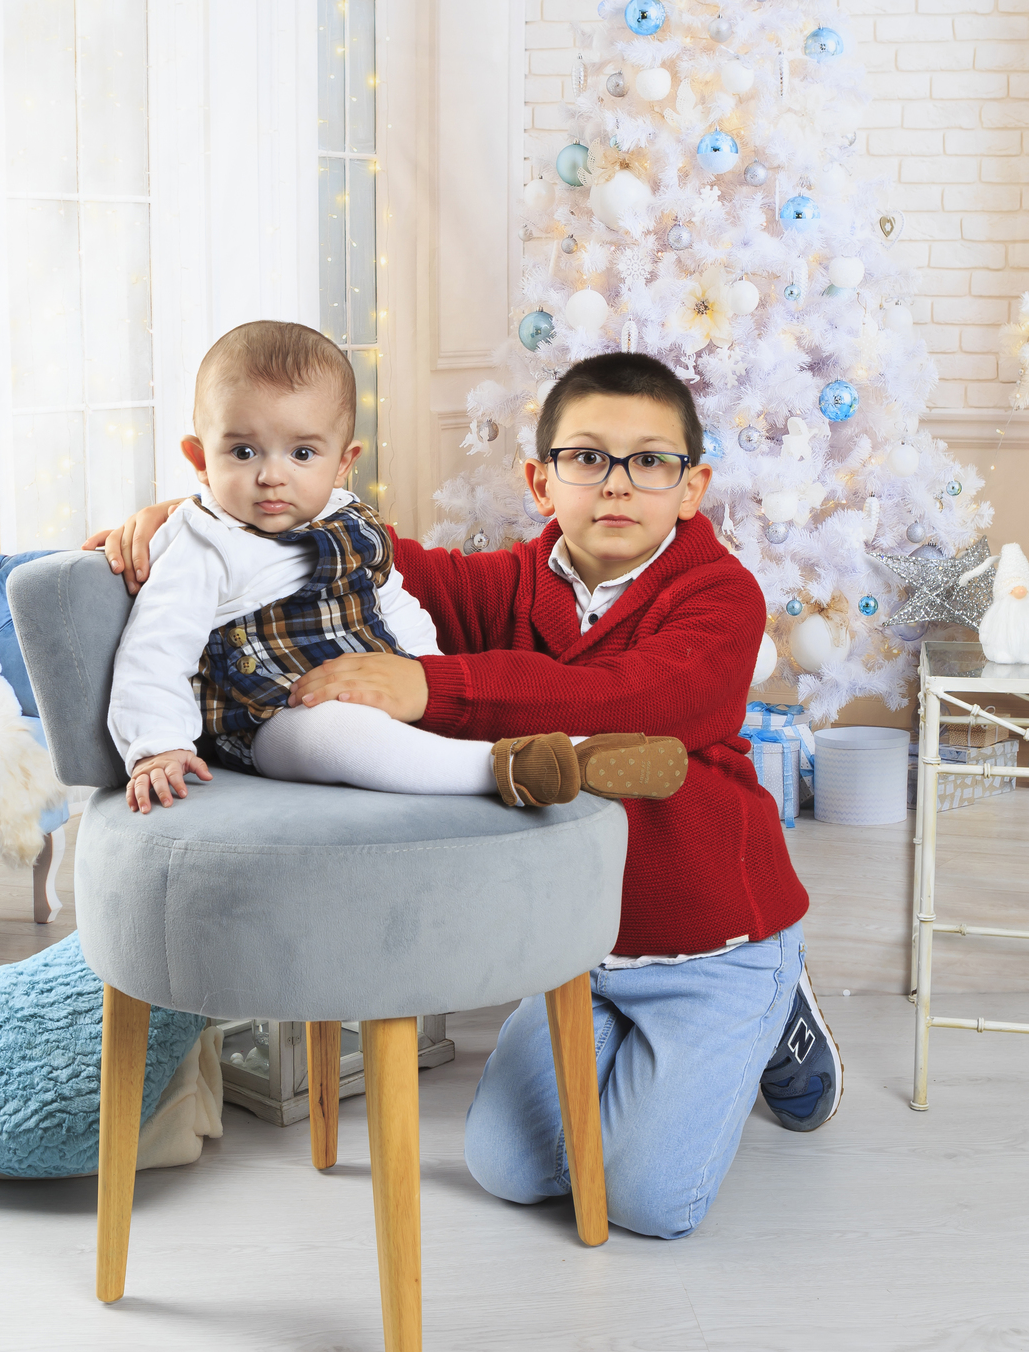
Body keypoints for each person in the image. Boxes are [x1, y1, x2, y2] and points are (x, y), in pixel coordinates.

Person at [88, 342, 842, 1239]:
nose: (616, 485)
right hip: (578, 948)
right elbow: (363, 556)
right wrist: (208, 519)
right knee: (509, 1170)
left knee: (647, 1202)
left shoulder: (721, 595)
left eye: (649, 462)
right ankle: (644, 1061)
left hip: (711, 944)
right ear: (540, 481)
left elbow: (637, 699)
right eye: (586, 458)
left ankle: (775, 1009)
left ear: (691, 487)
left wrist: (434, 687)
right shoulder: (511, 585)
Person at [108, 320, 683, 816]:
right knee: (335, 733)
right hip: (274, 714)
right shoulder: (201, 543)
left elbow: (396, 600)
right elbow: (155, 649)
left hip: (375, 688)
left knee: (394, 728)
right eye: (242, 453)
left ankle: (550, 756)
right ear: (199, 459)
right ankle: (510, 767)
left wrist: (425, 675)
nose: (271, 476)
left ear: (342, 464)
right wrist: (157, 745)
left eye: (302, 454)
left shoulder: (349, 521)